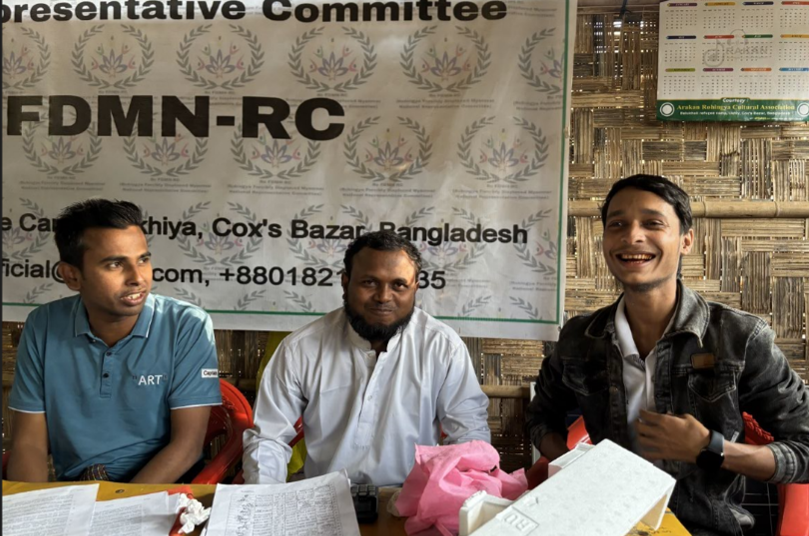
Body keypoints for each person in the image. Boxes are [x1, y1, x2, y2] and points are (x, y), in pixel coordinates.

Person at [526, 175, 809, 536]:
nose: (632, 236)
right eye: (617, 224)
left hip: (705, 533)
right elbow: (540, 418)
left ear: (686, 240)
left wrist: (711, 449)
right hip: (598, 521)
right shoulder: (580, 339)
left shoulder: (739, 338)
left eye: (652, 223)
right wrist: (573, 463)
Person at [243, 230, 490, 486]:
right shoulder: (301, 348)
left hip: (411, 503)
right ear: (345, 282)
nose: (383, 297)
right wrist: (265, 499)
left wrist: (454, 502)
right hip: (324, 498)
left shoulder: (443, 347)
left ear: (415, 288)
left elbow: (469, 437)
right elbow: (268, 439)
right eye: (369, 282)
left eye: (398, 285)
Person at [7, 199, 222, 483]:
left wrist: (116, 509)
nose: (137, 278)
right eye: (115, 264)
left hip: (158, 493)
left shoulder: (186, 325)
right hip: (76, 490)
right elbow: (28, 445)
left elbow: (187, 447)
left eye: (143, 260)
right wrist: (34, 511)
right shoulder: (43, 325)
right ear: (72, 275)